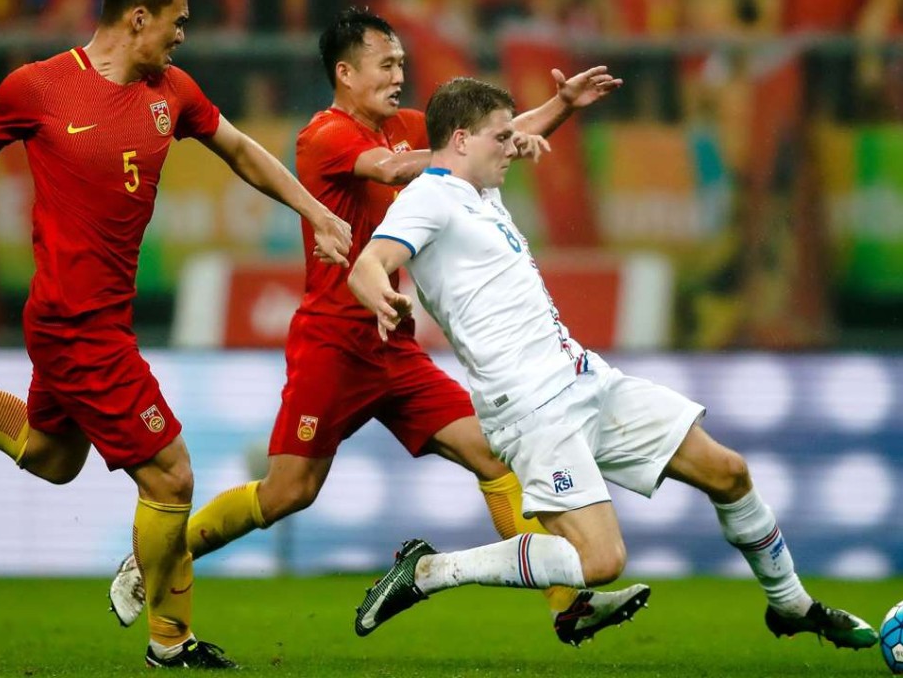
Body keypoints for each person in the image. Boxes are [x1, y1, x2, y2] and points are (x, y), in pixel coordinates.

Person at [107, 6, 647, 647]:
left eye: (400, 63)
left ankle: (568, 603)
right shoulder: (325, 135)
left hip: (392, 341)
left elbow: (479, 143)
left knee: (491, 453)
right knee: (288, 492)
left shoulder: (404, 126)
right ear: (345, 71)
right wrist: (465, 153)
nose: (398, 74)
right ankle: (151, 558)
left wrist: (561, 107)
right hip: (333, 343)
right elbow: (401, 168)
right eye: (385, 64)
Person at [0, 0, 351, 669]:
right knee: (171, 475)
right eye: (177, 19)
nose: (185, 33)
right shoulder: (38, 86)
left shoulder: (174, 91)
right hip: (77, 325)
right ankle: (171, 640)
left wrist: (314, 211)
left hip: (93, 319)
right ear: (138, 17)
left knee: (51, 457)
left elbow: (241, 151)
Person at [346, 76, 878, 650]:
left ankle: (791, 604)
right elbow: (369, 262)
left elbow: (509, 135)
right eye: (501, 138)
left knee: (729, 472)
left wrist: (563, 107)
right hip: (531, 410)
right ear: (460, 138)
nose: (513, 147)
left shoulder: (478, 187)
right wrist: (383, 295)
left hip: (585, 378)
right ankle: (429, 572)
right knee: (600, 562)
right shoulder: (430, 197)